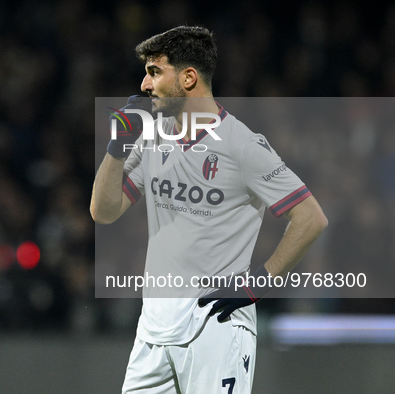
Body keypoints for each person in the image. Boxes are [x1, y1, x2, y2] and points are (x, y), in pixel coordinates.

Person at [90, 26, 328, 393]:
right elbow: (103, 212)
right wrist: (117, 147)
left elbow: (311, 217)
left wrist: (255, 286)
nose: (144, 84)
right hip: (153, 330)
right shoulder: (153, 134)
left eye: (154, 71)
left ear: (188, 77)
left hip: (215, 327)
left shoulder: (242, 145)